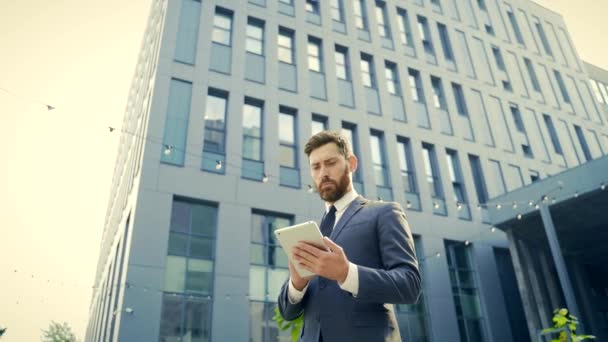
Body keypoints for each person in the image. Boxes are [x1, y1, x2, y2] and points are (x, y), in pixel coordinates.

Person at [278, 130, 421, 342]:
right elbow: (287, 312)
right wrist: (297, 284)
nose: (323, 173)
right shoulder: (311, 234)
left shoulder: (384, 212)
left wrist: (347, 273)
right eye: (316, 167)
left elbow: (410, 285)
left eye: (330, 163)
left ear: (352, 163)